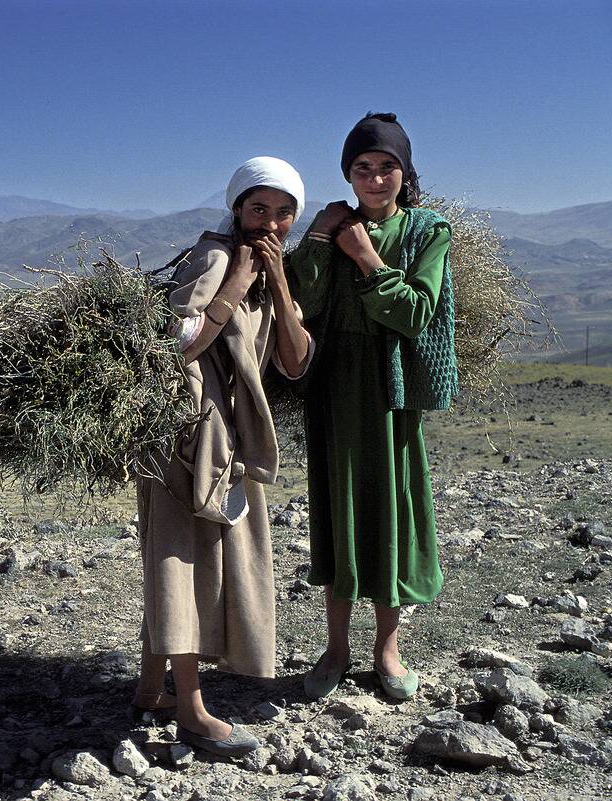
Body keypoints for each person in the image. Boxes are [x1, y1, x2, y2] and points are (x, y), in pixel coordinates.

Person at [132, 156, 314, 756]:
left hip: (230, 438)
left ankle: (149, 689)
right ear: (237, 208)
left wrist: (280, 287)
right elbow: (179, 344)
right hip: (185, 435)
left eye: (285, 212)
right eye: (259, 208)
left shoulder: (272, 271)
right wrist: (235, 282)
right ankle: (191, 709)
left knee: (187, 561)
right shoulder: (215, 257)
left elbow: (294, 362)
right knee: (179, 564)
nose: (272, 222)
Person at [289, 113, 457, 701]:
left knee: (390, 508)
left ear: (405, 173)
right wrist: (317, 237)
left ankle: (388, 649)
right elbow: (301, 302)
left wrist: (365, 258)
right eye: (363, 168)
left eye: (388, 167)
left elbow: (415, 313)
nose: (376, 178)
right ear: (348, 174)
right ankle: (335, 649)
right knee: (338, 508)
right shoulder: (333, 226)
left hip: (391, 391)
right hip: (334, 388)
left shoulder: (428, 231)